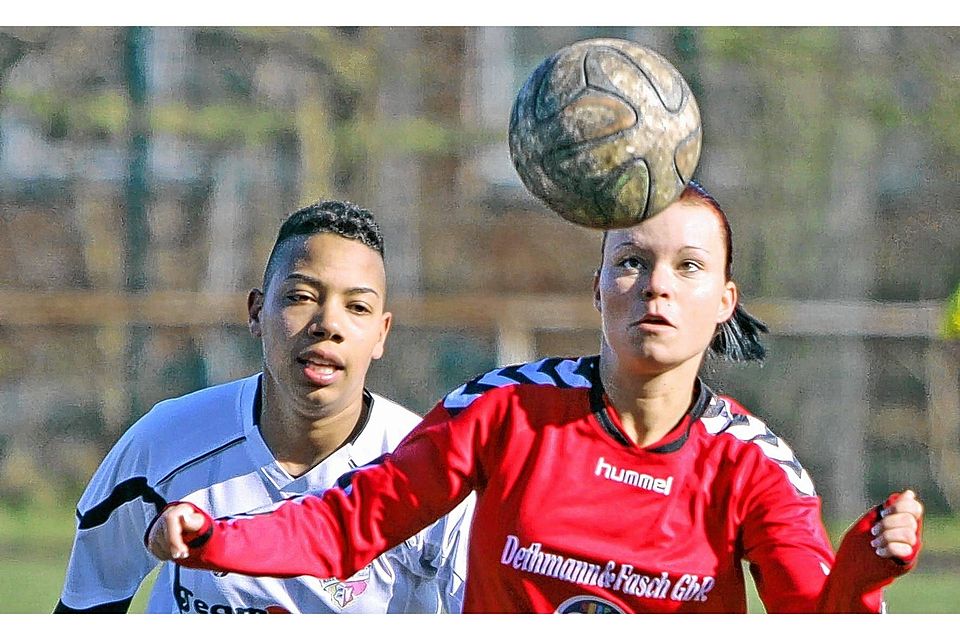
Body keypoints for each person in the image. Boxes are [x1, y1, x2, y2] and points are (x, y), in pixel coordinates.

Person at [147, 182, 923, 613]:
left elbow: (812, 621)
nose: (655, 285)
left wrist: (860, 578)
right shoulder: (507, 411)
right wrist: (214, 537)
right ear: (598, 287)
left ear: (725, 300)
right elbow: (352, 524)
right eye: (631, 261)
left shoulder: (754, 467)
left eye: (687, 266)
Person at [56, 200, 474, 613]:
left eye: (357, 307)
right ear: (256, 312)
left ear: (381, 334)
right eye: (301, 296)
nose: (328, 324)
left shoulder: (432, 469)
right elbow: (87, 605)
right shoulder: (166, 440)